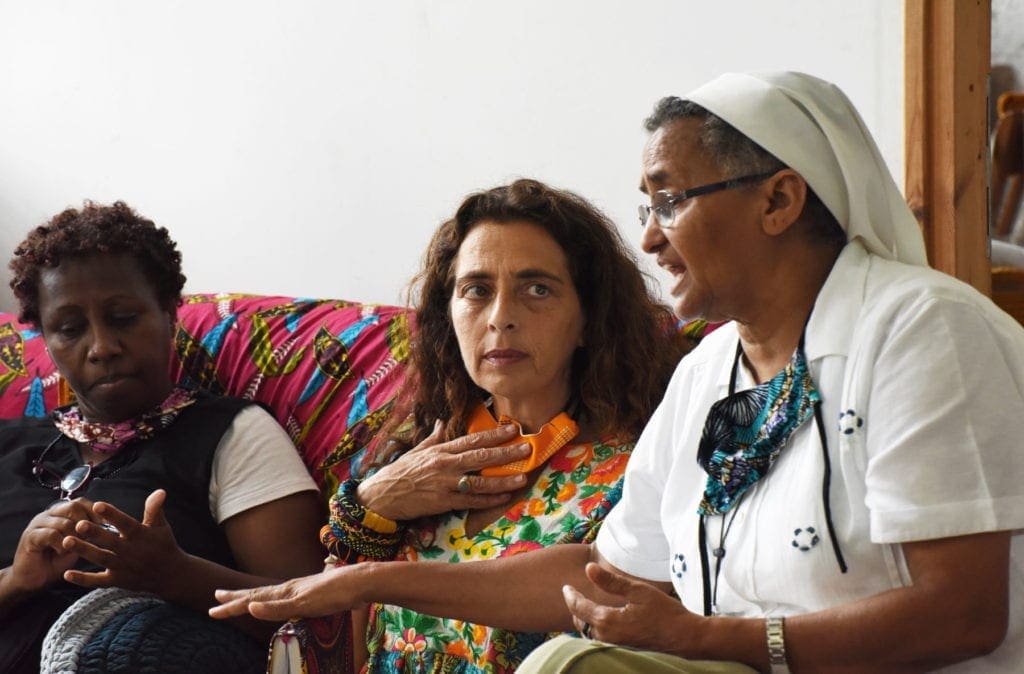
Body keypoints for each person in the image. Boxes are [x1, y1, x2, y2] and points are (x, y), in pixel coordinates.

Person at [213, 72, 1024, 673]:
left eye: (670, 201)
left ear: (778, 201)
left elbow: (963, 615)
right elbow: (601, 574)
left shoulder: (922, 330)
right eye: (645, 208)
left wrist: (712, 639)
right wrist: (370, 585)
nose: (650, 240)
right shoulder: (710, 369)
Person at [284, 178, 690, 673]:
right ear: (447, 314)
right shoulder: (417, 456)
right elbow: (327, 653)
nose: (501, 317)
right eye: (476, 290)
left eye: (536, 289)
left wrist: (370, 572)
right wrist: (370, 508)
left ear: (588, 317)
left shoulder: (637, 474)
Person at [0, 201, 325, 673]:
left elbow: (315, 626)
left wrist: (176, 576)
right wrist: (17, 579)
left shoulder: (231, 433)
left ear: (170, 314)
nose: (102, 347)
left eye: (124, 317)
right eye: (70, 329)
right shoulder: (8, 445)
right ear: (46, 342)